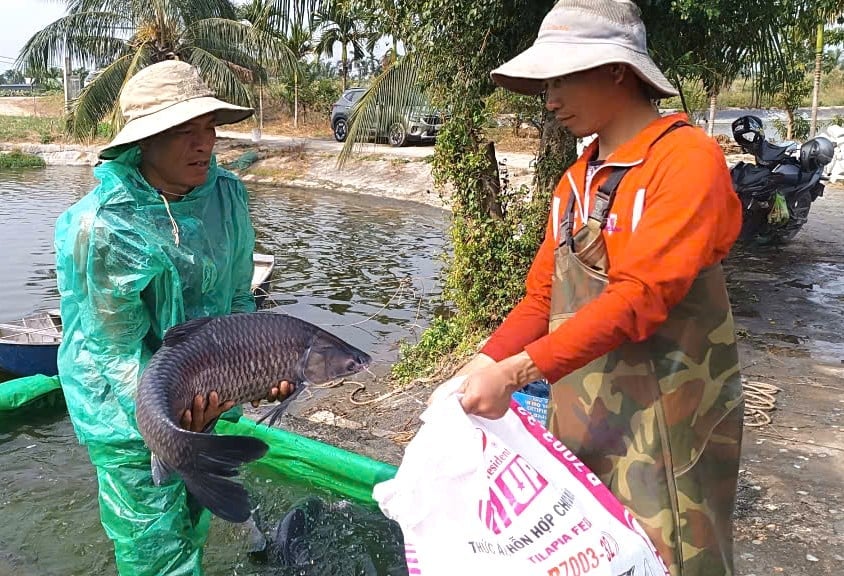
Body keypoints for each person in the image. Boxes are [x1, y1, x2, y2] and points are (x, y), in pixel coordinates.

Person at [442, 1, 745, 574]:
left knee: (674, 558)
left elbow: (640, 298)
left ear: (617, 70)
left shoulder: (685, 161)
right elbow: (543, 299)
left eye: (564, 77)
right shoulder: (577, 181)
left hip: (668, 432)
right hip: (583, 424)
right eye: (545, 82)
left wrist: (514, 373)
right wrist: (480, 362)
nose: (550, 98)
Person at [54, 59, 292, 575]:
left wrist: (260, 372)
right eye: (185, 131)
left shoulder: (226, 196)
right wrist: (170, 420)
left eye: (208, 128)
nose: (204, 143)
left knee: (193, 516)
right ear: (143, 143)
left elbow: (236, 304)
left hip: (204, 391)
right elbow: (114, 349)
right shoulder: (101, 227)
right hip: (126, 407)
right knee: (155, 548)